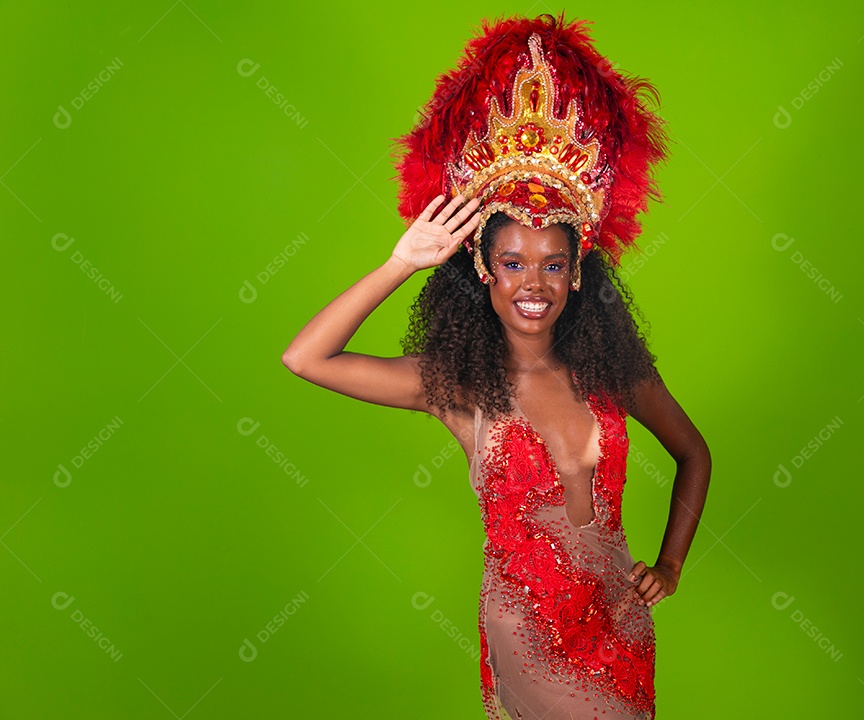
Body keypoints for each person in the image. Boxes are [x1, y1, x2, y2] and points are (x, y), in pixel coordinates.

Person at [282, 13, 710, 720]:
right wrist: (400, 262)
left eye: (552, 265)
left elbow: (694, 453)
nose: (532, 285)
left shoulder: (614, 371)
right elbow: (305, 357)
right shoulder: (456, 386)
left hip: (620, 629)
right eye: (512, 263)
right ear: (483, 269)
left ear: (578, 274)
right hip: (530, 635)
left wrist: (669, 564)